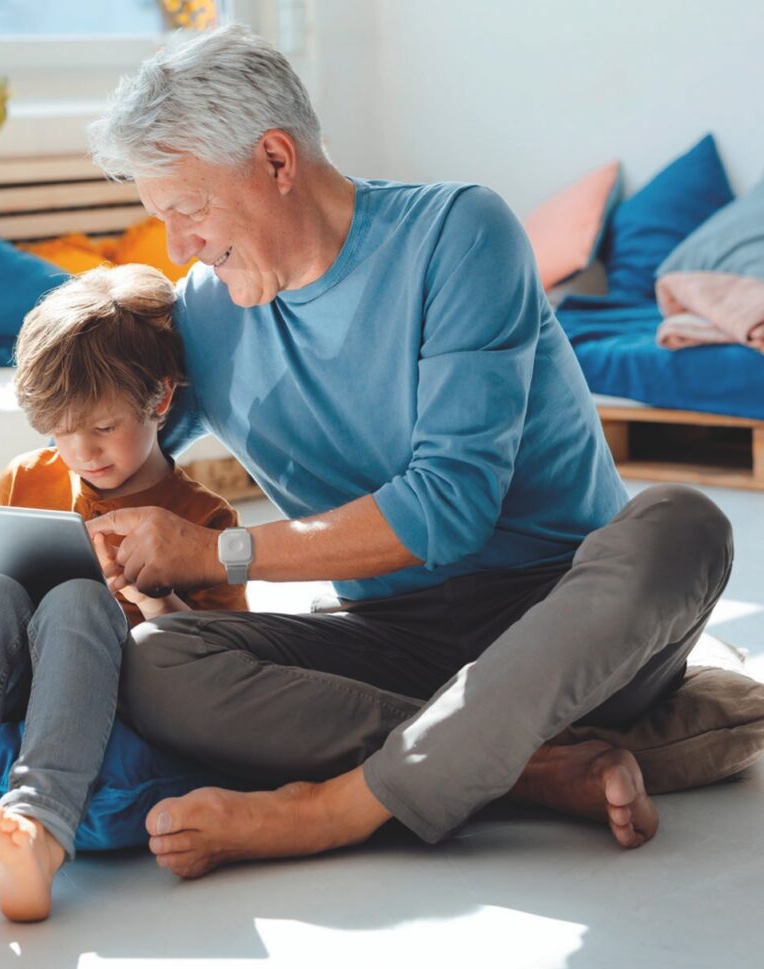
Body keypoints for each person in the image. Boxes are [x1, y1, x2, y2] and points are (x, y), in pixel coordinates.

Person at [84, 25, 734, 879]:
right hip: (395, 640)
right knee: (158, 663)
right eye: (160, 218)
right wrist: (39, 550)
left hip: (563, 622)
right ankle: (531, 769)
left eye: (188, 210)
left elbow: (450, 507)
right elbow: (110, 453)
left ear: (276, 160)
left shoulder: (458, 233)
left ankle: (334, 808)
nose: (177, 247)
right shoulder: (206, 310)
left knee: (684, 524)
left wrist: (217, 552)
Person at [0, 264, 247, 921]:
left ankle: (38, 832)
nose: (82, 451)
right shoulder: (26, 477)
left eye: (103, 428)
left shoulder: (202, 519)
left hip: (106, 686)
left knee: (80, 599)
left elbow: (226, 659)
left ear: (160, 399)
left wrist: (151, 599)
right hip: (9, 676)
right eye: (60, 430)